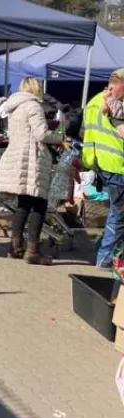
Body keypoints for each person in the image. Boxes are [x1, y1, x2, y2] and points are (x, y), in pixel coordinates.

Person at [0, 78, 64, 265]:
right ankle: (32, 250)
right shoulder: (33, 106)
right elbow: (41, 134)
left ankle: (15, 246)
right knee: (39, 204)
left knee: (23, 204)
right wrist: (59, 137)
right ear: (36, 89)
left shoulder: (14, 107)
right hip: (33, 158)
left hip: (17, 156)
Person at [82, 68, 124, 268]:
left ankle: (107, 254)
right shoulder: (113, 105)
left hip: (100, 162)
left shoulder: (93, 102)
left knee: (116, 214)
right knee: (119, 215)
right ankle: (104, 260)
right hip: (118, 165)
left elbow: (84, 131)